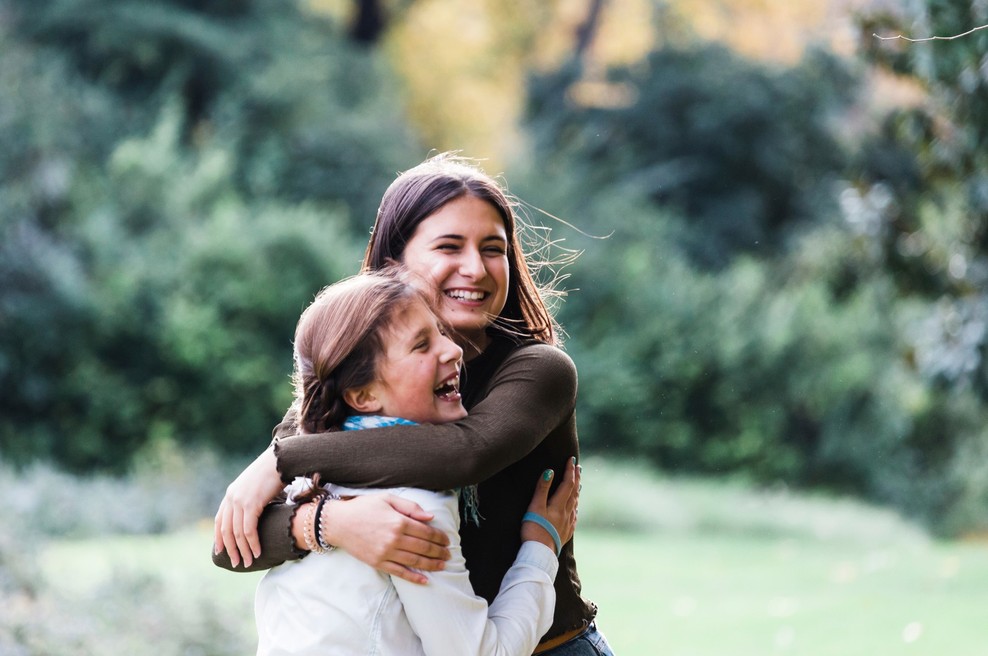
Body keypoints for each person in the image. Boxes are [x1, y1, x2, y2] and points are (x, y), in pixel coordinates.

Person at [214, 153, 615, 655]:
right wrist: (331, 523)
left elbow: (463, 453)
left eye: (494, 249)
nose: (475, 267)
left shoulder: (539, 369)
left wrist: (282, 458)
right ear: (393, 264)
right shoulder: (358, 379)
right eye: (449, 246)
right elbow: (233, 547)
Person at [254, 270, 578, 655]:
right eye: (422, 345)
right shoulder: (412, 507)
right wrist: (539, 552)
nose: (453, 350)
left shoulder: (306, 482)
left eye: (441, 333)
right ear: (363, 395)